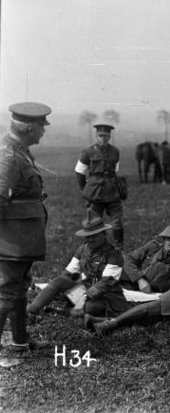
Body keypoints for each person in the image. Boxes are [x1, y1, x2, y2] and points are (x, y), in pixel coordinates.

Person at [0, 102, 52, 364]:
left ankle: (19, 343)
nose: (43, 131)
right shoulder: (9, 156)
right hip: (10, 241)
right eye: (41, 127)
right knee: (6, 291)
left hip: (21, 240)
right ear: (29, 128)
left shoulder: (20, 152)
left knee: (18, 289)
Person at [27, 210, 130, 320]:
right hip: (85, 288)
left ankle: (59, 310)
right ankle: (31, 310)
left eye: (94, 236)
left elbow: (106, 283)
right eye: (87, 236)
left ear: (103, 234)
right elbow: (69, 273)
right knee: (58, 281)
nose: (90, 239)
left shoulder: (113, 255)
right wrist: (60, 286)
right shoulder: (83, 249)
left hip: (107, 295)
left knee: (91, 308)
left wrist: (85, 297)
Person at [75, 123, 125, 248]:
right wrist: (86, 190)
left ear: (110, 136)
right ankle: (93, 248)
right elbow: (79, 172)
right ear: (96, 136)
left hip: (112, 192)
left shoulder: (115, 151)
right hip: (95, 192)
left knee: (117, 222)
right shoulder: (88, 152)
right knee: (93, 223)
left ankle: (118, 248)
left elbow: (115, 171)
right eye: (101, 135)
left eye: (106, 136)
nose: (103, 138)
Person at [120, 225, 170, 293]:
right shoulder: (152, 247)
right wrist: (139, 279)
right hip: (133, 282)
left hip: (152, 292)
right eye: (168, 239)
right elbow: (129, 259)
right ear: (164, 239)